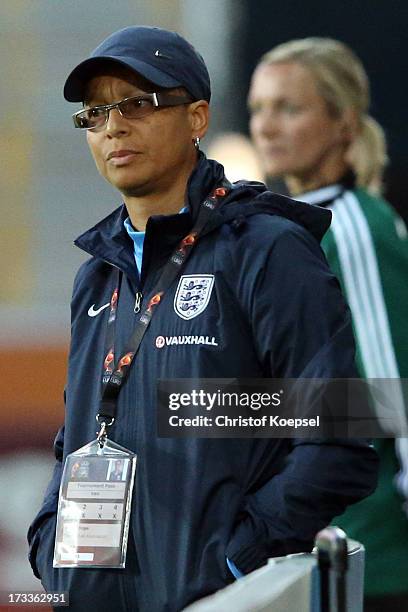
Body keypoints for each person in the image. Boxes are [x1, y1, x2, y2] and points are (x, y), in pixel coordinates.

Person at [28, 27, 378, 612]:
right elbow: (79, 436)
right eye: (95, 113)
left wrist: (235, 561)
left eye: (137, 104)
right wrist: (50, 543)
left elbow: (342, 436)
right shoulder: (97, 276)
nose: (113, 126)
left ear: (196, 118)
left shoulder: (268, 248)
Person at [248, 36, 408, 611]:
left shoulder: (354, 225)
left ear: (343, 122)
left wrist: (223, 409)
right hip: (312, 548)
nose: (267, 126)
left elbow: (393, 400)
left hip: (373, 552)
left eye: (289, 108)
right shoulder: (292, 226)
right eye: (259, 108)